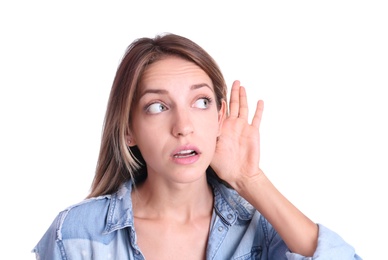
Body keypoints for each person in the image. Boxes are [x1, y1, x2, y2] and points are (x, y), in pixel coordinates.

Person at [32, 33, 362, 260]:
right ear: (128, 129)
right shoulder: (76, 233)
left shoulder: (261, 231)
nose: (184, 126)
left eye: (201, 101)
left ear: (220, 116)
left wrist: (251, 181)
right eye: (158, 107)